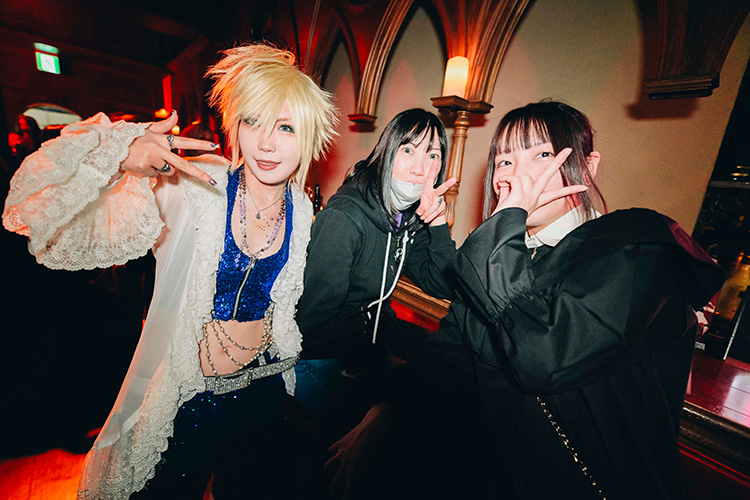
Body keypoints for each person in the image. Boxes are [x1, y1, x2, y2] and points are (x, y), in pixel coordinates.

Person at [327, 100, 725, 500]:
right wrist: (387, 411)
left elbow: (542, 355)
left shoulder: (636, 250)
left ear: (588, 166)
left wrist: (505, 222)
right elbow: (449, 352)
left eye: (542, 155)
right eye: (504, 161)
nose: (516, 175)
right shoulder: (504, 254)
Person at [3, 43, 337, 499]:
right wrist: (120, 153)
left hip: (264, 390)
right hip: (189, 398)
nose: (266, 142)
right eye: (252, 121)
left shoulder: (302, 208)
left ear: (310, 135)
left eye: (286, 127)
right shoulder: (198, 184)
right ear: (234, 125)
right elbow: (36, 201)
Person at [292, 108, 456, 494]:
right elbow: (312, 327)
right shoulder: (345, 218)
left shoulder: (404, 217)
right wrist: (382, 348)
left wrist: (437, 224)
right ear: (387, 151)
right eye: (409, 149)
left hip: (358, 349)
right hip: (316, 361)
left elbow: (442, 282)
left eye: (433, 154)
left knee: (436, 391)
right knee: (396, 434)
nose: (421, 166)